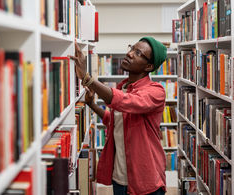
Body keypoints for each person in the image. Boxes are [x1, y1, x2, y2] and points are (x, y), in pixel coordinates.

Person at [69, 37, 167, 195]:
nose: (129, 54)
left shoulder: (156, 91)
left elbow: (127, 102)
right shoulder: (124, 87)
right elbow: (114, 122)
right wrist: (91, 104)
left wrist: (87, 78)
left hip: (145, 178)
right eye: (131, 48)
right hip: (119, 178)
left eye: (138, 53)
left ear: (149, 66)